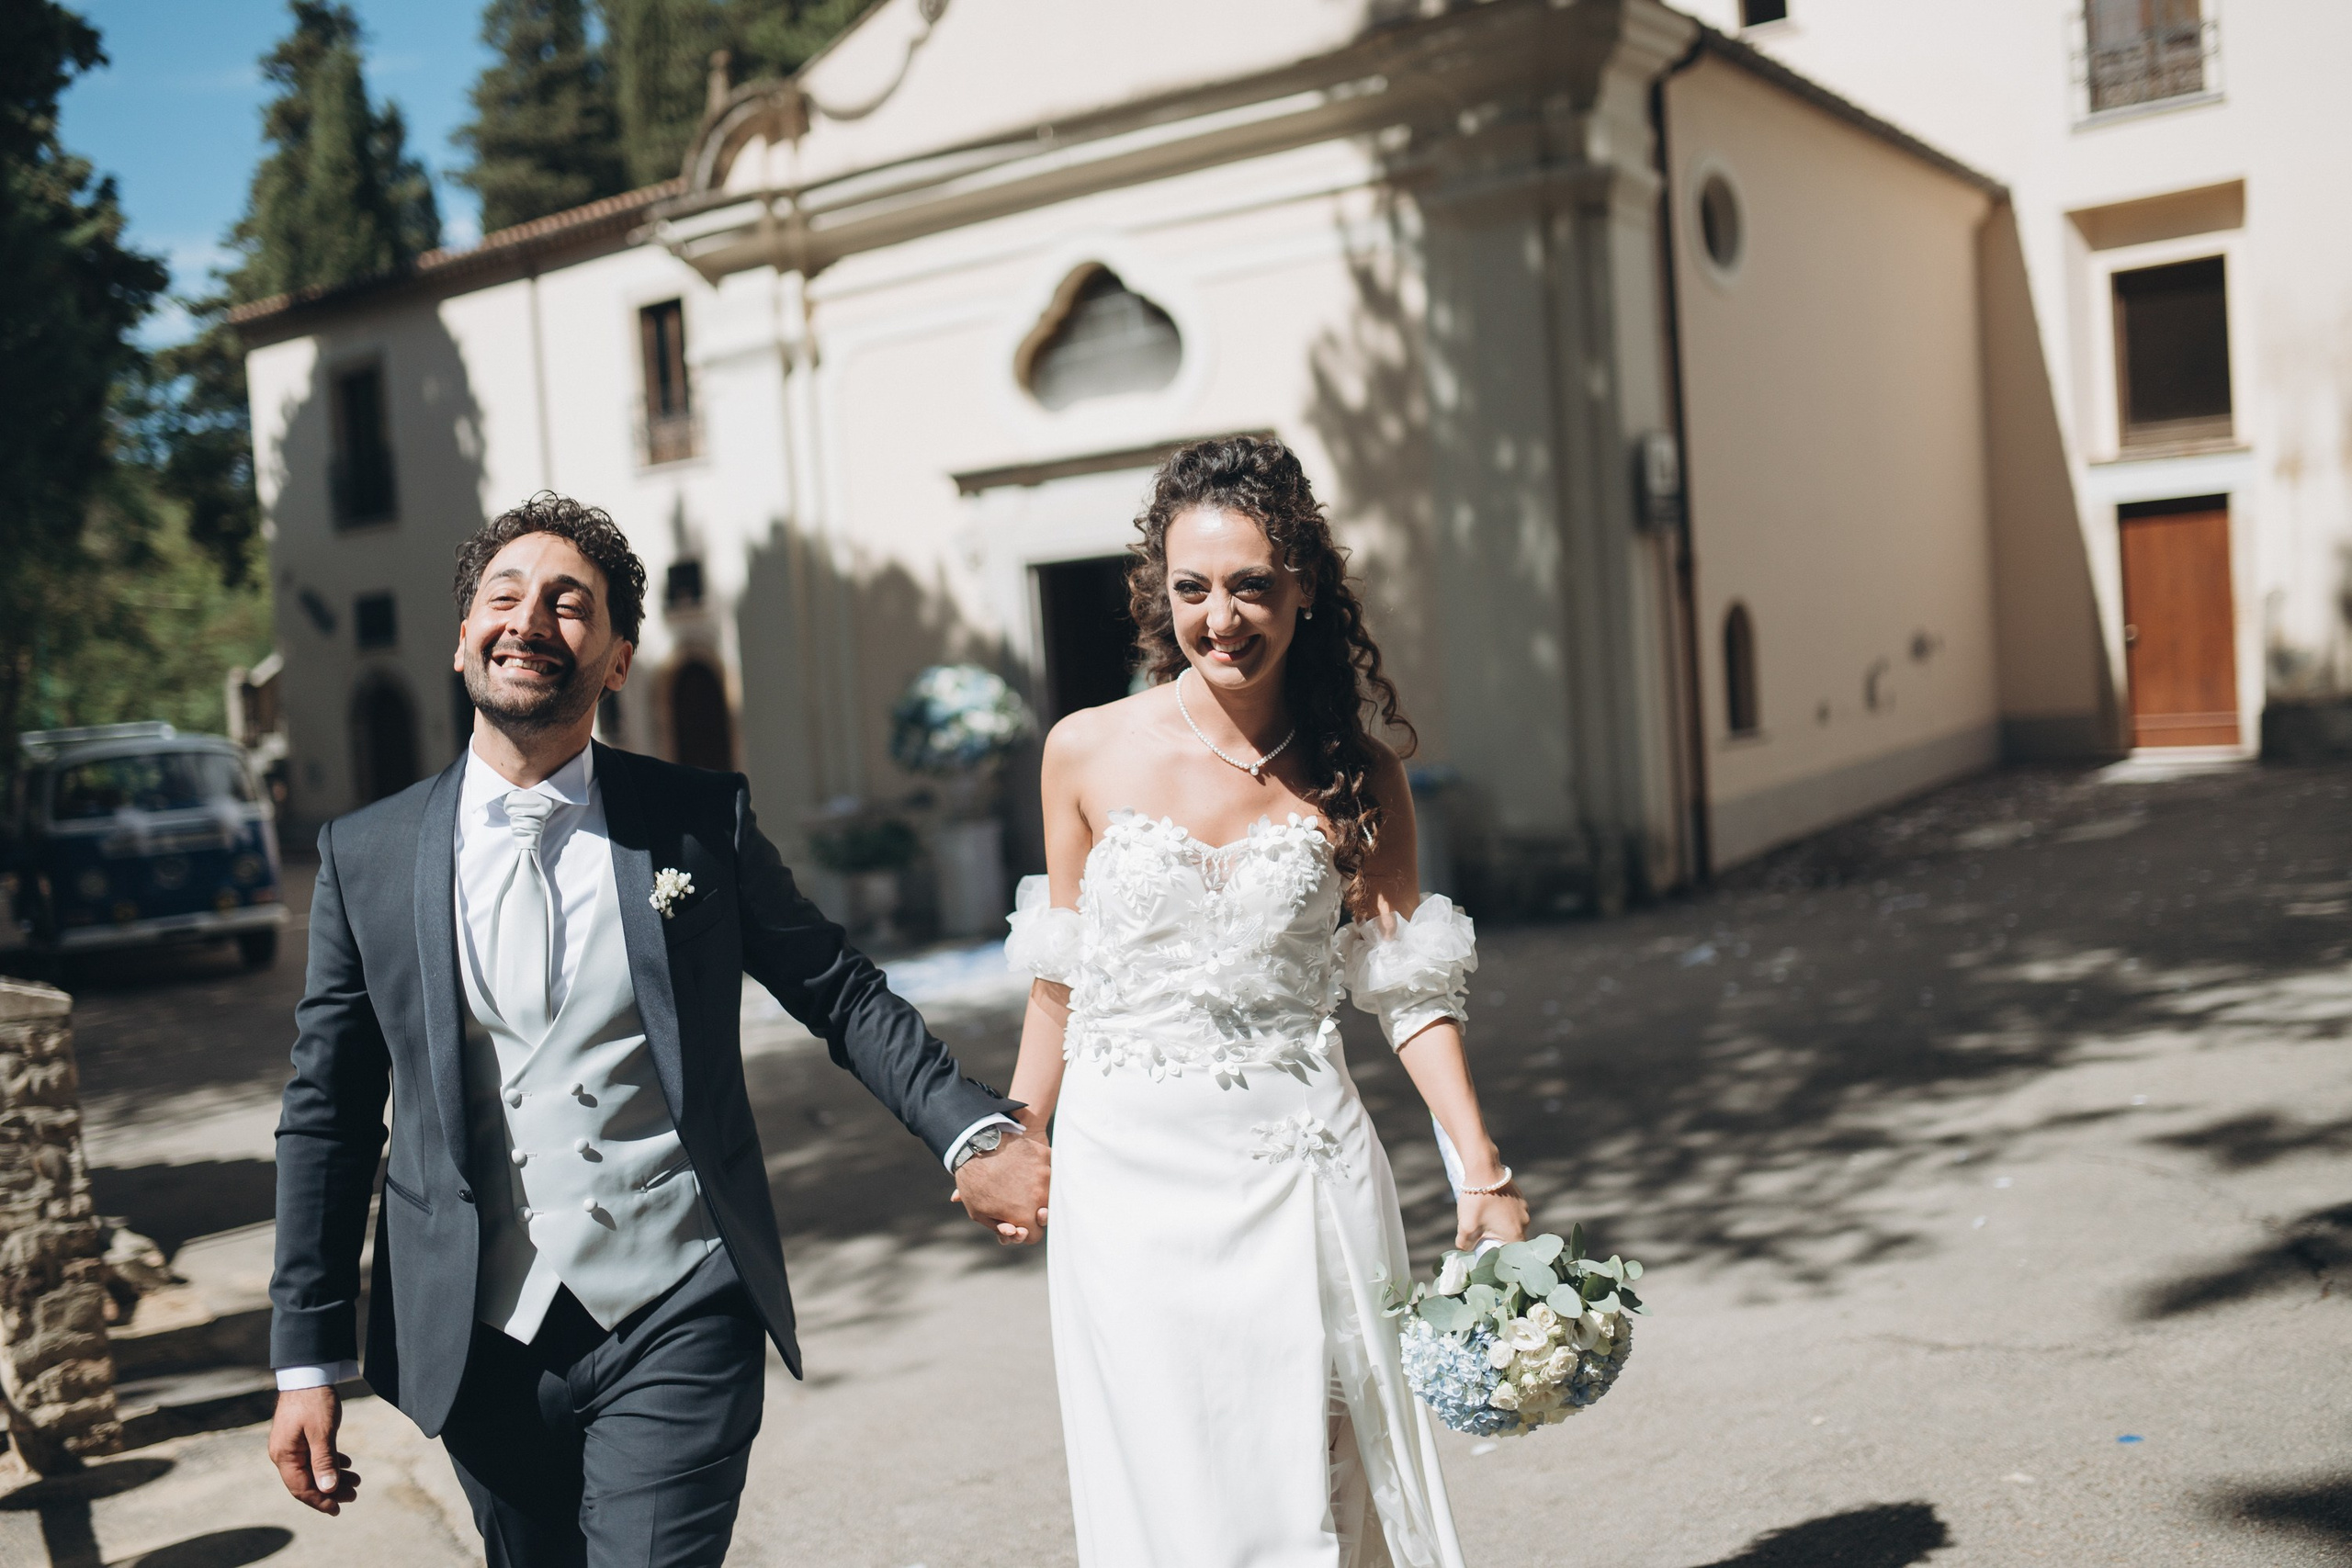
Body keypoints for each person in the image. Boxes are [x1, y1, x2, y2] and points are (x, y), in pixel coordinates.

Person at [265, 494, 1050, 1566]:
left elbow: (837, 988)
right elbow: (329, 1114)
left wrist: (972, 1130)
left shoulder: (694, 819)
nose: (530, 620)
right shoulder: (367, 854)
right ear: (461, 642)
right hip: (478, 1336)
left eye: (569, 604)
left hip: (678, 1303)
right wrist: (303, 1357)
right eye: (504, 597)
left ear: (619, 657)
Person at [1005, 435, 1529, 1567]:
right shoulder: (1084, 750)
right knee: (1172, 1471)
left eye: (1252, 585)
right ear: (1159, 595)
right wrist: (1020, 1131)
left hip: (1301, 1161)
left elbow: (1407, 990)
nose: (1222, 617)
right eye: (1192, 589)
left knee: (1320, 1461)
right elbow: (1063, 971)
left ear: (1304, 591)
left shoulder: (1359, 771)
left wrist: (1480, 1168)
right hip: (1128, 1174)